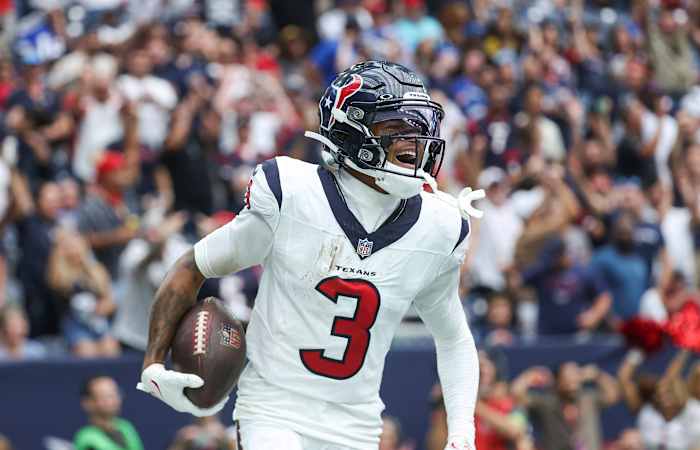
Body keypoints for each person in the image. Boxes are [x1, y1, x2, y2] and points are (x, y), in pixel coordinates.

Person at [137, 61, 482, 450]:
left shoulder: (440, 225)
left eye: (419, 131)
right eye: (395, 129)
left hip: (357, 425)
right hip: (274, 410)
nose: (414, 144)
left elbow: (454, 339)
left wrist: (461, 434)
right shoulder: (292, 192)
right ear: (351, 130)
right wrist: (153, 360)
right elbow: (192, 266)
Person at [74, 375, 144, 450]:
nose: (113, 400)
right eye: (105, 396)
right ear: (88, 402)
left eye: (115, 394)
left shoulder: (127, 427)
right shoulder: (87, 439)